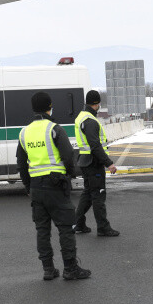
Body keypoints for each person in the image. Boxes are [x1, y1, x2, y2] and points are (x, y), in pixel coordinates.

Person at [17, 91, 91, 281]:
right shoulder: (54, 129)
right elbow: (68, 156)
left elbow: (21, 163)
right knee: (66, 227)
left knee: (42, 230)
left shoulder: (24, 132)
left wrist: (28, 187)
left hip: (36, 187)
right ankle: (70, 268)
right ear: (50, 107)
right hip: (55, 185)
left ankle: (48, 270)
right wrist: (68, 175)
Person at [73, 90, 120, 237]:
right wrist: (109, 163)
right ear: (97, 103)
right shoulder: (90, 121)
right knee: (98, 195)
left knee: (88, 194)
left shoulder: (81, 117)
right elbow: (95, 145)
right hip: (94, 163)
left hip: (85, 162)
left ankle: (78, 224)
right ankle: (103, 227)